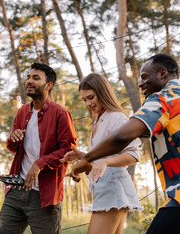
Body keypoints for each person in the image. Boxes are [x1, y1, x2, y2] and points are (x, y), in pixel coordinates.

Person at [68, 54, 180, 233]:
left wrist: (89, 159)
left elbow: (122, 138)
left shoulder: (162, 99)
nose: (140, 83)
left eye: (145, 77)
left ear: (163, 73)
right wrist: (84, 156)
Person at [0, 62, 77, 234]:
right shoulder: (22, 111)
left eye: (35, 78)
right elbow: (12, 146)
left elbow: (68, 150)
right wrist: (13, 138)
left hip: (44, 195)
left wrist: (40, 163)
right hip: (16, 190)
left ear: (49, 85)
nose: (29, 81)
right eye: (28, 77)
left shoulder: (61, 113)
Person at [60, 73, 142, 234]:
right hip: (105, 188)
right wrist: (81, 155)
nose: (88, 103)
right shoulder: (98, 120)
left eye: (91, 97)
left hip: (114, 188)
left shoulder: (116, 117)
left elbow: (134, 154)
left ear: (102, 93)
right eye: (84, 100)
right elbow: (103, 157)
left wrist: (106, 162)